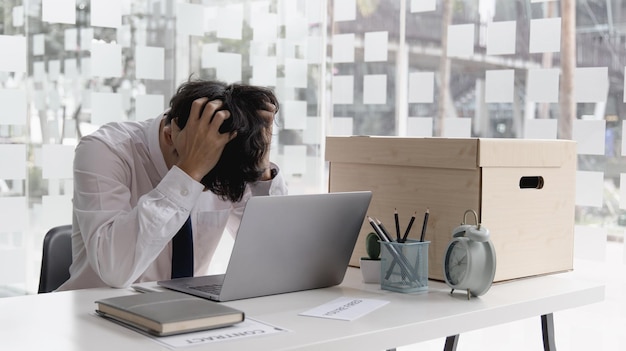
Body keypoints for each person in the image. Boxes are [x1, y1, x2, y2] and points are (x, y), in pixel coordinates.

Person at [58, 79, 287, 291]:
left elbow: (274, 256)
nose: (205, 191)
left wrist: (261, 170)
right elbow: (115, 271)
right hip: (96, 315)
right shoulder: (106, 150)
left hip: (184, 316)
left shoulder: (227, 148)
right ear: (170, 136)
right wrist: (190, 171)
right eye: (204, 183)